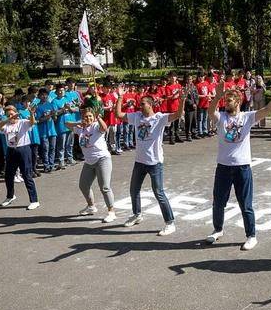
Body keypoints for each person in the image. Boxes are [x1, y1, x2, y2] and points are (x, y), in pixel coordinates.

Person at [205, 77, 271, 250]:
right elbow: (210, 110)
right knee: (218, 202)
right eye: (226, 100)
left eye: (229, 100)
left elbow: (268, 109)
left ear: (237, 102)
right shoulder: (221, 117)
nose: (226, 103)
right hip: (223, 167)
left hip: (242, 167)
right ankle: (218, 230)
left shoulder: (247, 117)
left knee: (245, 204)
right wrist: (217, 96)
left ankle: (251, 235)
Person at [115, 85, 186, 236]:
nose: (139, 106)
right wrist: (120, 97)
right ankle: (137, 214)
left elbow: (177, 114)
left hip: (155, 163)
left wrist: (182, 99)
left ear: (150, 105)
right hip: (139, 162)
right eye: (139, 104)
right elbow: (119, 114)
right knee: (134, 190)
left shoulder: (159, 118)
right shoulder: (136, 117)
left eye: (142, 104)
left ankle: (170, 222)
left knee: (159, 193)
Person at [66, 108, 116, 223]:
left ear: (93, 117)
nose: (88, 118)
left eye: (90, 116)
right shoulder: (80, 129)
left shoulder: (95, 126)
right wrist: (78, 123)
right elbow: (67, 124)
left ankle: (111, 212)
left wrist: (98, 118)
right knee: (83, 185)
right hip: (89, 162)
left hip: (102, 159)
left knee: (105, 187)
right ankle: (91, 206)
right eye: (85, 116)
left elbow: (104, 128)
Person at [0, 104, 39, 210]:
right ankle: (10, 196)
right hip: (11, 150)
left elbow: (32, 122)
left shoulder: (23, 122)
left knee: (27, 175)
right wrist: (8, 119)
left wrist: (31, 113)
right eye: (8, 115)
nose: (10, 116)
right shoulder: (6, 124)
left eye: (12, 114)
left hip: (23, 149)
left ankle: (34, 200)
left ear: (16, 113)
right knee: (8, 175)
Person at [35, 88, 57, 173]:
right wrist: (47, 117)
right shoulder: (37, 107)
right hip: (43, 131)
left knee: (52, 148)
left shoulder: (50, 105)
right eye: (42, 95)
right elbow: (38, 120)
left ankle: (51, 164)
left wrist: (54, 115)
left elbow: (54, 118)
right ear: (39, 96)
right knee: (45, 149)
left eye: (46, 95)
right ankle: (46, 165)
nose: (44, 96)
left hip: (52, 130)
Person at [182, 73, 198, 142]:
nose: (189, 80)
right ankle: (188, 135)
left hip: (194, 107)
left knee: (194, 121)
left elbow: (197, 96)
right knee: (188, 122)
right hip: (188, 107)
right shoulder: (184, 87)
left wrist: (196, 103)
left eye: (191, 79)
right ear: (186, 80)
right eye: (188, 79)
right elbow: (185, 98)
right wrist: (192, 104)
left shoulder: (194, 87)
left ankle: (194, 133)